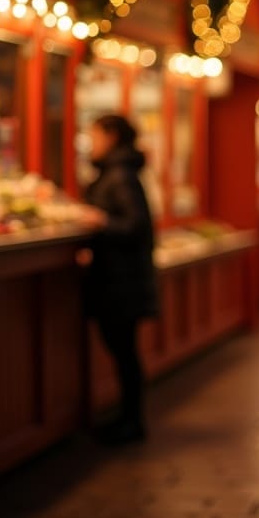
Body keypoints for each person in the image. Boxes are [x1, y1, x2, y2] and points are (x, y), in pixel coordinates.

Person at [81, 114, 159, 445]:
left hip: (119, 280)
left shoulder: (119, 176)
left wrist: (99, 221)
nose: (91, 142)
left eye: (95, 135)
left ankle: (131, 420)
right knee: (123, 349)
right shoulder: (120, 173)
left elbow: (134, 226)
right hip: (120, 278)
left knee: (123, 350)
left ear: (111, 136)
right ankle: (129, 417)